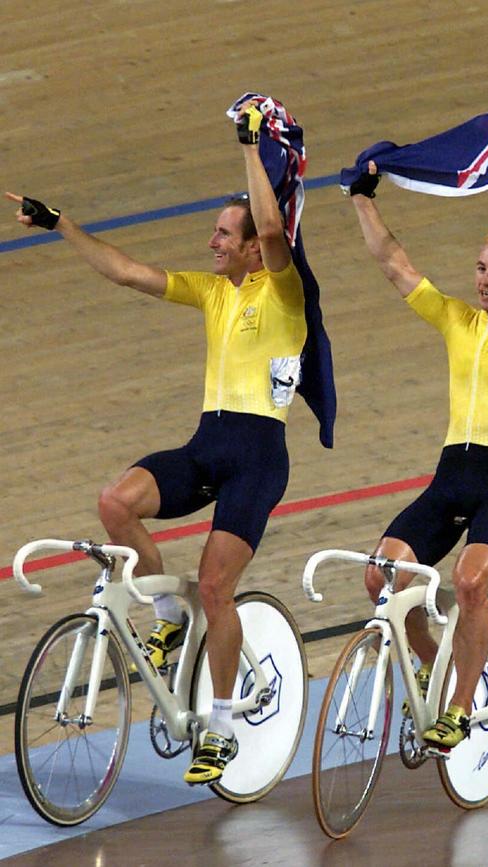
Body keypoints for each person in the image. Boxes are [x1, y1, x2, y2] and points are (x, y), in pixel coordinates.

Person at [5, 103, 308, 783]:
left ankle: (224, 727)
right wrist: (60, 224)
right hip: (209, 443)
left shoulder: (284, 294)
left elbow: (267, 222)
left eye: (224, 235)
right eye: (214, 233)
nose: (214, 243)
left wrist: (249, 146)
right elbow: (126, 272)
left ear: (256, 247)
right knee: (116, 502)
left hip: (257, 457)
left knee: (218, 586)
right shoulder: (211, 293)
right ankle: (169, 615)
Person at [348, 155, 488, 751]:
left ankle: (462, 708)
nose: (486, 280)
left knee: (468, 583)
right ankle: (436, 662)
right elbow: (394, 264)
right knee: (378, 576)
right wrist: (362, 198)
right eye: (480, 269)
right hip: (450, 479)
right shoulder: (458, 321)